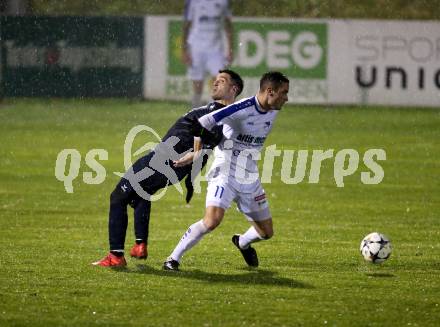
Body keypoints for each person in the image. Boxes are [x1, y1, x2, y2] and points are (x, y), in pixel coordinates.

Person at [92, 70, 244, 267]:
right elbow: (202, 146)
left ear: (234, 89)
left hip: (160, 161)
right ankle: (140, 244)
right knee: (141, 193)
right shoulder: (217, 114)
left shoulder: (217, 117)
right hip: (169, 166)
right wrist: (190, 176)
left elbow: (202, 149)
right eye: (215, 80)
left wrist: (189, 158)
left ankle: (116, 256)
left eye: (221, 81)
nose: (215, 84)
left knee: (118, 197)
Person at [163, 71, 290, 271]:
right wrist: (197, 153)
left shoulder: (273, 109)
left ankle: (242, 242)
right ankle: (172, 258)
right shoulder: (241, 109)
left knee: (266, 232)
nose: (287, 98)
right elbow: (203, 122)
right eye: (284, 93)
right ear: (270, 91)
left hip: (250, 178)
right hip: (225, 173)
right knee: (212, 221)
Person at [183, 0, 233, 108]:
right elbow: (186, 25)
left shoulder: (223, 2)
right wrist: (184, 50)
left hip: (216, 49)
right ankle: (195, 108)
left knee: (221, 79)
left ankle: (215, 109)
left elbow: (228, 24)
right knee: (198, 83)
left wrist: (230, 49)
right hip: (196, 47)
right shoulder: (192, 2)